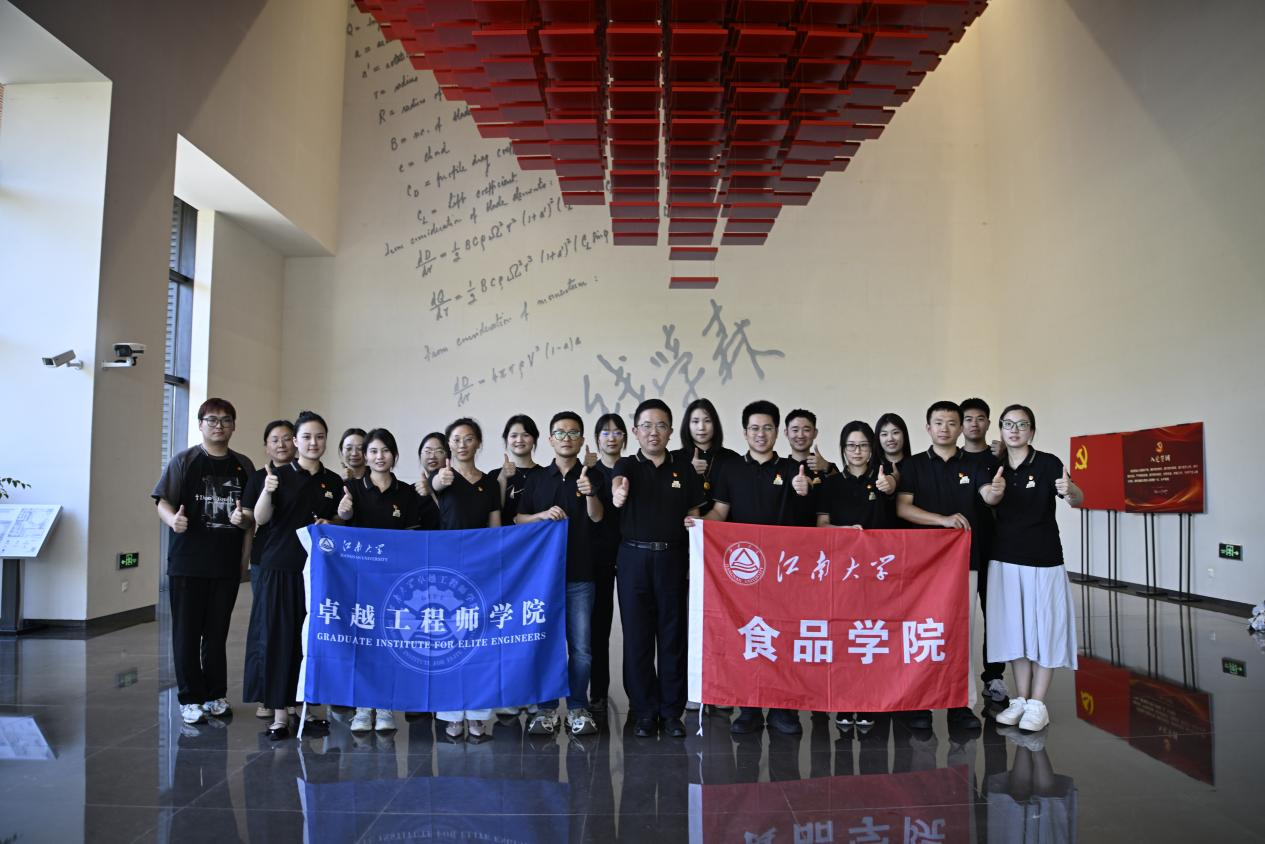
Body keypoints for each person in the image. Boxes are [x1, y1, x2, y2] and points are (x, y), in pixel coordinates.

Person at [895, 401, 1005, 733]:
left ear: (960, 429)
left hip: (964, 561)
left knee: (961, 632)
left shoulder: (975, 464)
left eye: (951, 423)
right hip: (923, 564)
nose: (945, 428)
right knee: (922, 631)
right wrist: (941, 520)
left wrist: (995, 493)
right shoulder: (913, 465)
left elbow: (987, 495)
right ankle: (922, 703)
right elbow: (903, 508)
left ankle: (961, 704)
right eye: (938, 422)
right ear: (928, 427)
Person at [706, 400, 814, 736]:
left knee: (783, 638)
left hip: (784, 572)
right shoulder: (731, 469)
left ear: (777, 432)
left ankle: (784, 709)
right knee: (750, 637)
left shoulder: (794, 469)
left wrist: (804, 491)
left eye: (767, 428)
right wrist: (699, 525)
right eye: (754, 428)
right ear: (744, 432)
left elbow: (809, 520)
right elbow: (720, 512)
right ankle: (749, 708)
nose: (761, 434)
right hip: (745, 572)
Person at [152, 398, 255, 725]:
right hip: (187, 563)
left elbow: (251, 515)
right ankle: (190, 698)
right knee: (186, 633)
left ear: (234, 425)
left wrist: (244, 529)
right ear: (200, 424)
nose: (219, 425)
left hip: (225, 564)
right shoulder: (184, 461)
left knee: (216, 633)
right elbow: (162, 501)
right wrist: (172, 520)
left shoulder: (243, 465)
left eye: (226, 420)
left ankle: (215, 694)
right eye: (212, 420)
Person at [241, 410, 340, 740]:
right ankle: (280, 715)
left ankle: (305, 711)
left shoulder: (333, 482)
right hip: (279, 567)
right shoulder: (278, 475)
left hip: (316, 572)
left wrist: (336, 520)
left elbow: (338, 523)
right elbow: (260, 519)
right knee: (279, 639)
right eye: (307, 437)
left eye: (320, 437)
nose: (313, 443)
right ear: (296, 441)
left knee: (309, 640)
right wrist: (267, 491)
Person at [337, 427, 441, 733]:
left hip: (395, 583)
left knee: (388, 644)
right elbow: (338, 528)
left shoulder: (407, 493)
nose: (379, 457)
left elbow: (420, 534)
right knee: (362, 643)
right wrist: (343, 514)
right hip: (359, 581)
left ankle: (384, 707)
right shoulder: (351, 489)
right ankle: (362, 706)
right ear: (365, 456)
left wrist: (429, 494)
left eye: (385, 451)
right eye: (373, 451)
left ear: (394, 456)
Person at [612, 398, 703, 738]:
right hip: (633, 559)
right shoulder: (626, 465)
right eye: (647, 426)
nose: (654, 432)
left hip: (672, 559)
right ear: (635, 431)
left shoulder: (684, 469)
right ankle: (644, 712)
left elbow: (695, 512)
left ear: (670, 431)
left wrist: (694, 524)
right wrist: (618, 495)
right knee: (637, 638)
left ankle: (671, 712)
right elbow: (617, 489)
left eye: (661, 426)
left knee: (672, 636)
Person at [988, 405, 1082, 732]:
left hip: (1044, 559)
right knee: (1016, 631)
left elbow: (1077, 498)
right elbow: (987, 499)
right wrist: (992, 493)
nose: (1014, 430)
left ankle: (1038, 704)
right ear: (1001, 429)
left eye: (1022, 424)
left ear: (1032, 430)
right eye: (1008, 424)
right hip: (1005, 559)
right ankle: (1021, 699)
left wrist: (1071, 491)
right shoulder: (995, 466)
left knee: (1045, 630)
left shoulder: (1047, 463)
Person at [517, 411, 604, 737]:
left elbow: (598, 518)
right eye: (560, 433)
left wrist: (591, 492)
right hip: (543, 579)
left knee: (581, 649)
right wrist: (540, 515)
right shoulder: (538, 479)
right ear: (551, 440)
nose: (567, 438)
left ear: (581, 440)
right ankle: (546, 710)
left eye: (573, 433)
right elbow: (518, 520)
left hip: (581, 575)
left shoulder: (593, 476)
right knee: (545, 645)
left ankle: (578, 707)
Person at [816, 420, 898, 734]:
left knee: (871, 635)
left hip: (877, 572)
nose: (857, 451)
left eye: (863, 445)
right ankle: (844, 699)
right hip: (842, 570)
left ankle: (867, 700)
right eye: (851, 446)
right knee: (843, 636)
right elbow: (821, 525)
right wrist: (844, 532)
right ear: (843, 449)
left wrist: (890, 486)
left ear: (871, 448)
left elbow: (898, 513)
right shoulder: (832, 484)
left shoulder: (883, 481)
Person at [430, 417, 502, 740]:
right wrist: (439, 480)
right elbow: (435, 486)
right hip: (447, 572)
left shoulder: (490, 484)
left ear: (478, 443)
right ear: (449, 445)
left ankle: (477, 714)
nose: (462, 445)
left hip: (480, 570)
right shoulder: (442, 475)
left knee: (478, 644)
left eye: (468, 439)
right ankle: (451, 714)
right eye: (456, 439)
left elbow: (495, 529)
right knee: (449, 643)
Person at [961, 397, 1009, 705]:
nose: (974, 424)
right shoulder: (954, 459)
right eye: (968, 419)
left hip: (994, 547)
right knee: (960, 616)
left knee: (994, 614)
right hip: (960, 551)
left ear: (989, 423)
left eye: (980, 418)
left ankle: (994, 676)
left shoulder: (998, 459)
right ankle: (958, 675)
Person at [248, 419, 296, 718]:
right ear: (266, 446)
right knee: (266, 629)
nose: (281, 444)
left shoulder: (308, 477)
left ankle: (290, 696)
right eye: (275, 440)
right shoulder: (258, 478)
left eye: (287, 438)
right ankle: (267, 696)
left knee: (293, 630)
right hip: (265, 561)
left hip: (298, 562)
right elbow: (252, 517)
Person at [586, 412, 627, 713]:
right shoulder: (590, 473)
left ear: (625, 437)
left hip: (631, 557)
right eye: (605, 432)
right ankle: (598, 693)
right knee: (598, 629)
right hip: (597, 558)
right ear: (597, 438)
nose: (611, 437)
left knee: (636, 628)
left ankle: (638, 696)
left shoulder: (633, 469)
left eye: (617, 432)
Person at [674, 398, 739, 517]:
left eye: (707, 421)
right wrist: (688, 471)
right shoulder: (674, 458)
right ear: (687, 425)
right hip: (683, 526)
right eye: (695, 421)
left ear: (715, 424)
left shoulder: (732, 459)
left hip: (723, 526)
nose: (701, 427)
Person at [488, 413, 541, 525]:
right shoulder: (493, 475)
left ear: (534, 439)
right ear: (506, 439)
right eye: (514, 436)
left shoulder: (545, 475)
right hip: (504, 535)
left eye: (526, 435)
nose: (519, 440)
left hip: (536, 535)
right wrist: (503, 478)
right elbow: (491, 514)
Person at [785, 408, 838, 484]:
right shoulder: (779, 468)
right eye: (795, 430)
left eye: (806, 430)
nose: (800, 435)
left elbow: (842, 489)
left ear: (815, 433)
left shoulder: (827, 467)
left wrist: (826, 467)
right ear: (786, 433)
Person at [875, 412, 912, 478]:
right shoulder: (871, 469)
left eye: (895, 432)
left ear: (904, 435)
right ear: (878, 438)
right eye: (884, 434)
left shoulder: (916, 466)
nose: (890, 439)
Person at [415, 431, 447, 501]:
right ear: (420, 455)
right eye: (427, 451)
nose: (432, 456)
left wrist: (431, 492)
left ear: (448, 456)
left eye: (439, 451)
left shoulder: (456, 487)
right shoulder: (412, 491)